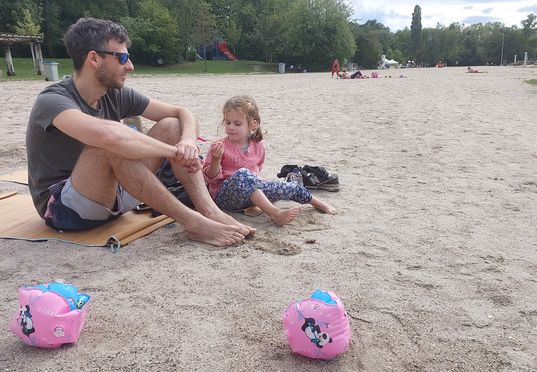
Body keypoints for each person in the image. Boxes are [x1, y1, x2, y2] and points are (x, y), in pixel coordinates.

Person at [25, 17, 254, 247]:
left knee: (172, 125)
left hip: (115, 197)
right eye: (122, 58)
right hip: (66, 209)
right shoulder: (52, 101)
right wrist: (174, 153)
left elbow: (184, 113)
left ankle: (209, 211)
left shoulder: (114, 93)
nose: (130, 65)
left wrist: (186, 143)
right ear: (93, 58)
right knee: (110, 145)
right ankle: (194, 223)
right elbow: (110, 137)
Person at [203, 95, 336, 225]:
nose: (231, 127)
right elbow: (210, 178)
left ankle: (318, 203)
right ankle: (275, 214)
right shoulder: (219, 146)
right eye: (227, 122)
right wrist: (216, 159)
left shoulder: (257, 145)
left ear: (253, 124)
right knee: (243, 175)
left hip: (253, 195)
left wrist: (264, 185)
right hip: (226, 197)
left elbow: (258, 167)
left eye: (237, 123)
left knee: (287, 186)